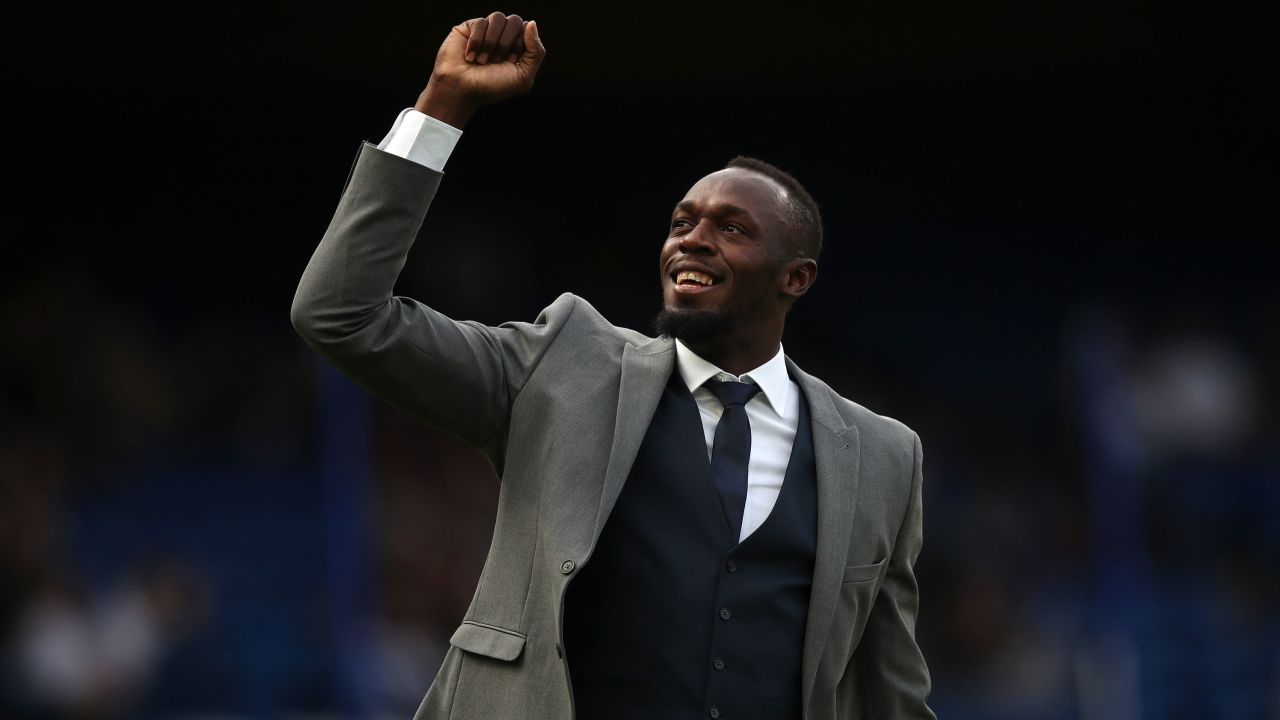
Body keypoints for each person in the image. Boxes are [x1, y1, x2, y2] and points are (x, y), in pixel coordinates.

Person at [292, 11, 935, 720]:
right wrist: (443, 106)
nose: (692, 241)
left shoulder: (883, 455)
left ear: (797, 278)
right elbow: (340, 315)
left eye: (732, 229)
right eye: (681, 222)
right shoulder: (561, 363)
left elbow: (890, 693)